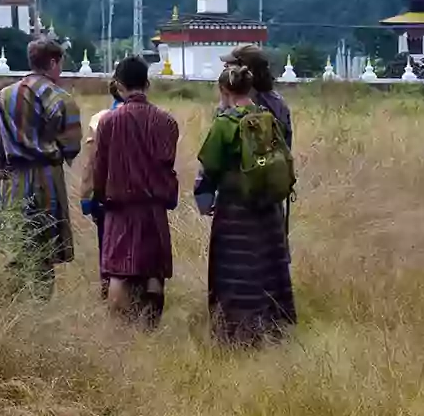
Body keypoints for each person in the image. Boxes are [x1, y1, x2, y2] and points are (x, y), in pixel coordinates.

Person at [195, 64, 297, 345]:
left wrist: (204, 202)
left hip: (235, 213)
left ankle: (236, 336)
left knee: (234, 273)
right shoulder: (268, 119)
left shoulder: (225, 124)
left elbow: (209, 170)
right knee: (266, 270)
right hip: (268, 213)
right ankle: (272, 330)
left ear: (224, 91)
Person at [0, 36, 83, 298]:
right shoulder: (61, 98)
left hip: (13, 179)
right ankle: (41, 305)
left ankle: (15, 307)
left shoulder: (4, 96)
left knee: (17, 247)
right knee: (45, 252)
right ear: (53, 62)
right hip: (48, 179)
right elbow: (72, 145)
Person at [84, 56, 179, 327]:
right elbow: (168, 164)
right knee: (153, 272)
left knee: (119, 271)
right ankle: (150, 330)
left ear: (119, 86)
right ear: (147, 84)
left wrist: (98, 199)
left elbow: (99, 168)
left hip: (119, 207)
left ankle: (120, 333)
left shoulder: (108, 122)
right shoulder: (167, 121)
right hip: (154, 207)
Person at [78, 72, 126, 300]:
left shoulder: (100, 119)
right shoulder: (155, 117)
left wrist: (86, 198)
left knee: (107, 249)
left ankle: (109, 295)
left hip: (106, 195)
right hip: (143, 197)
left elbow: (91, 163)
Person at [224, 43, 293, 148]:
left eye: (230, 64)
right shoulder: (278, 103)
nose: (225, 67)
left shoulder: (235, 102)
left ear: (246, 69)